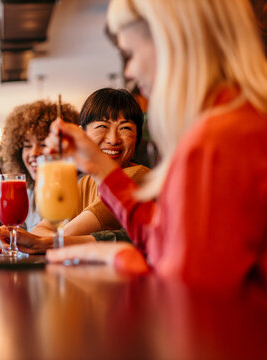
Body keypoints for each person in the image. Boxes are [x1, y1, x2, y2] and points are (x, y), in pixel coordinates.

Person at [46, 0, 267, 288]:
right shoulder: (235, 119)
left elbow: (190, 293)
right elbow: (170, 241)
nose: (129, 72)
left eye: (131, 53)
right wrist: (98, 167)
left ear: (172, 43)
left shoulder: (216, 139)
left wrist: (123, 258)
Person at [0, 88, 149, 253]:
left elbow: (60, 234)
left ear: (137, 137)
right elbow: (41, 230)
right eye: (102, 126)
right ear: (82, 133)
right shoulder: (85, 182)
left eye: (125, 128)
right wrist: (37, 239)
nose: (113, 139)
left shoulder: (138, 177)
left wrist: (40, 241)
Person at [0, 99, 79, 231]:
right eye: (27, 146)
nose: (34, 153)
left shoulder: (78, 187)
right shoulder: (27, 193)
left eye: (43, 144)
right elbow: (17, 236)